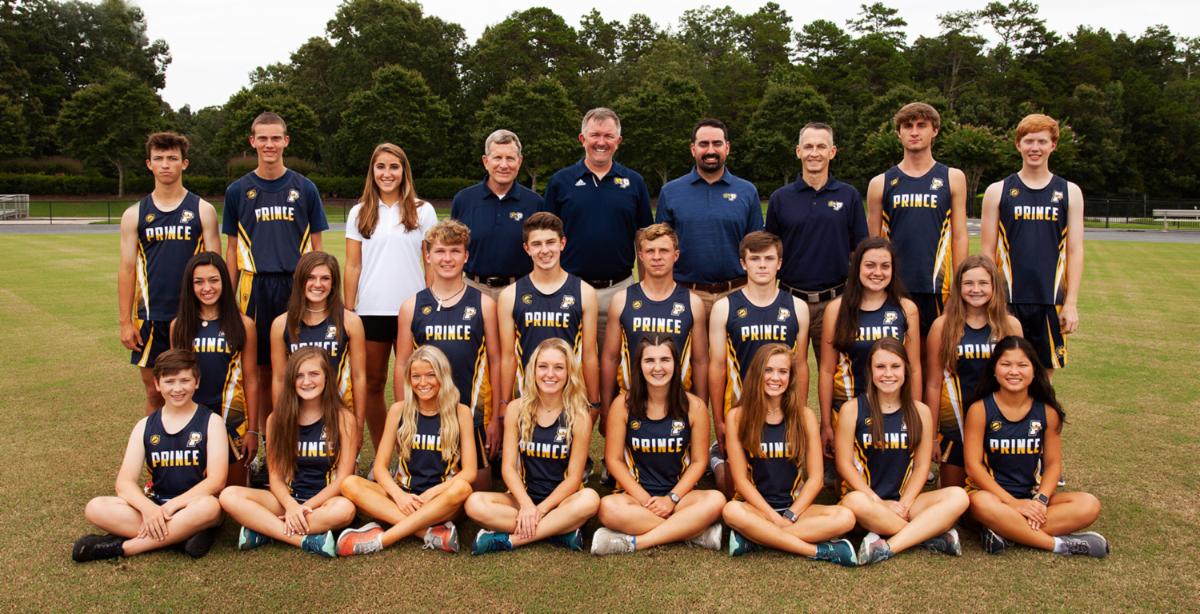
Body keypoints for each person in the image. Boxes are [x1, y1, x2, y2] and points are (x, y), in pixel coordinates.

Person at [73, 350, 227, 562]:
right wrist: (149, 509)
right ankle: (183, 536)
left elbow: (216, 481)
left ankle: (125, 547)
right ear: (157, 384)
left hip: (194, 505)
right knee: (95, 508)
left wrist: (171, 507)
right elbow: (124, 483)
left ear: (197, 382)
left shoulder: (211, 421)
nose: (177, 389)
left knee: (211, 507)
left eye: (185, 380)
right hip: (156, 504)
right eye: (169, 381)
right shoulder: (145, 426)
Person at [223, 112, 329, 418]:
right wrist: (228, 298)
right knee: (259, 368)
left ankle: (305, 432)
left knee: (303, 363)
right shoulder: (237, 191)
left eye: (275, 138)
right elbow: (232, 249)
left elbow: (318, 249)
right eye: (263, 138)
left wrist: (320, 290)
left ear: (286, 141)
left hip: (296, 285)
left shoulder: (305, 188)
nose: (269, 144)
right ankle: (267, 438)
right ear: (252, 142)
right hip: (254, 287)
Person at [964, 336, 1108, 557]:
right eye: (1006, 364)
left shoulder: (1047, 412)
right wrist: (1013, 503)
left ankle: (1005, 532)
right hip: (992, 497)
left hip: (1030, 495)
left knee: (1088, 504)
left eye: (1022, 365)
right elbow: (973, 467)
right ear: (994, 369)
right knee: (979, 502)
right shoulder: (980, 409)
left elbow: (1053, 464)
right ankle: (1058, 545)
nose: (1014, 371)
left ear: (1033, 371)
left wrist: (1040, 500)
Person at [835, 338, 969, 565]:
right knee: (853, 502)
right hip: (867, 503)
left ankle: (887, 546)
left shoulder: (920, 411)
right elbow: (844, 465)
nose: (888, 374)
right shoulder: (852, 409)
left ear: (906, 369)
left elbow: (922, 466)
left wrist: (904, 505)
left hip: (905, 503)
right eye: (880, 367)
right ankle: (927, 535)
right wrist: (877, 501)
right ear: (870, 370)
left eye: (895, 366)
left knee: (958, 496)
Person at [720, 344, 857, 565]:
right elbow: (741, 481)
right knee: (731, 510)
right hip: (756, 509)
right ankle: (818, 551)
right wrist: (773, 518)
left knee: (846, 517)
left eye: (783, 371)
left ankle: (757, 539)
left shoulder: (804, 416)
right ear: (757, 373)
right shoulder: (737, 417)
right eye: (768, 370)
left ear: (791, 377)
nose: (775, 378)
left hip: (796, 508)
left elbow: (816, 479)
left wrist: (790, 515)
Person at [335, 346, 476, 555]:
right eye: (416, 376)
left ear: (443, 376)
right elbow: (380, 467)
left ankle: (382, 540)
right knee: (349, 483)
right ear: (409, 379)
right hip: (403, 497)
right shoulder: (399, 410)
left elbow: (470, 472)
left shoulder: (460, 412)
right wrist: (399, 496)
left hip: (440, 501)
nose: (423, 382)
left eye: (431, 375)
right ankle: (428, 533)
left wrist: (431, 494)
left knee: (463, 488)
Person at [592, 335, 726, 555]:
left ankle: (637, 542)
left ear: (676, 364)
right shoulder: (623, 405)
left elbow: (699, 462)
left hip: (680, 497)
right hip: (636, 498)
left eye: (665, 360)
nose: (657, 368)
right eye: (649, 361)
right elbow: (614, 460)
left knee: (716, 500)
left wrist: (671, 499)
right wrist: (645, 500)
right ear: (639, 366)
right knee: (607, 508)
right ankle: (694, 532)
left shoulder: (694, 407)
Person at [218, 347, 358, 557]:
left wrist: (303, 508)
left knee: (345, 510)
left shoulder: (343, 419)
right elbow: (275, 478)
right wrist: (291, 506)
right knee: (229, 495)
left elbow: (343, 478)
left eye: (314, 374)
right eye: (299, 375)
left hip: (324, 502)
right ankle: (304, 540)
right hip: (285, 500)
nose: (306, 381)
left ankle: (267, 530)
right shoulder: (276, 420)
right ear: (291, 380)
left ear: (327, 377)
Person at [465, 338, 600, 554]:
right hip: (522, 499)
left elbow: (574, 478)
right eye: (543, 366)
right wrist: (527, 505)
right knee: (474, 503)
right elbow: (508, 468)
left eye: (559, 368)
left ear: (569, 373)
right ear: (533, 370)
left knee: (590, 500)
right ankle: (559, 531)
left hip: (562, 503)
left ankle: (510, 540)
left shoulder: (579, 416)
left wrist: (540, 510)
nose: (550, 374)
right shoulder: (516, 409)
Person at [345, 143, 438, 452]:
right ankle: (386, 451)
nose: (387, 173)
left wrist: (431, 303)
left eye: (394, 167)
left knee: (416, 384)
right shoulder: (359, 212)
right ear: (372, 171)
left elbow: (430, 262)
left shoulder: (423, 210)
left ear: (404, 171)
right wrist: (348, 311)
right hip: (371, 311)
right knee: (373, 383)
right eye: (381, 167)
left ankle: (412, 454)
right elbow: (353, 265)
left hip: (413, 310)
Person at [119, 132, 219, 413]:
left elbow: (216, 268)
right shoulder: (134, 214)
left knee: (198, 388)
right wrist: (125, 322)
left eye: (172, 158)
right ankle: (156, 442)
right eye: (159, 158)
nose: (165, 164)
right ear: (148, 164)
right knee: (155, 392)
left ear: (184, 163)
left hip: (193, 315)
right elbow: (127, 269)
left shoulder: (203, 210)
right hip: (151, 316)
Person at [397, 220, 501, 489]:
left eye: (455, 251)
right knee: (426, 486)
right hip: (426, 415)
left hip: (473, 413)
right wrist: (402, 414)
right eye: (440, 251)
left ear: (466, 256)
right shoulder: (411, 306)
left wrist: (495, 418)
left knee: (477, 493)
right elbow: (402, 364)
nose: (447, 258)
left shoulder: (484, 304)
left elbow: (496, 361)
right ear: (428, 256)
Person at [980, 113, 1085, 371]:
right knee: (1003, 369)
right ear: (1018, 145)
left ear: (1053, 145)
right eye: (1028, 141)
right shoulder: (998, 191)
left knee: (1044, 375)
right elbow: (986, 252)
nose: (1034, 148)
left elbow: (1075, 250)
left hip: (1050, 298)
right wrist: (990, 301)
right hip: (1007, 299)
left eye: (1041, 141)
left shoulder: (1069, 192)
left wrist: (1071, 303)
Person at [542, 107, 653, 344]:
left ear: (618, 141)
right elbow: (545, 240)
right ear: (582, 139)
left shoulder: (634, 182)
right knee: (567, 360)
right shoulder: (560, 181)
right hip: (570, 290)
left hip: (619, 291)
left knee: (615, 361)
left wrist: (644, 290)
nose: (601, 142)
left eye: (608, 136)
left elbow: (644, 240)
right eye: (595, 135)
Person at [708, 231, 807, 495]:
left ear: (779, 263)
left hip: (781, 409)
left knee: (786, 487)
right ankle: (718, 459)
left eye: (769, 258)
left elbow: (801, 365)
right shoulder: (724, 307)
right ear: (743, 263)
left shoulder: (797, 307)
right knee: (730, 489)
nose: (762, 265)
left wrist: (799, 412)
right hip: (740, 408)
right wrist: (719, 420)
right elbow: (717, 367)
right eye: (755, 259)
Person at [766, 122, 867, 361]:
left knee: (835, 372)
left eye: (821, 146)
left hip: (834, 302)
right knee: (782, 369)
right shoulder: (780, 198)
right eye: (808, 146)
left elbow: (860, 250)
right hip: (789, 301)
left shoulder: (849, 195)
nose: (814, 153)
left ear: (832, 152)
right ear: (798, 151)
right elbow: (770, 252)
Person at [866, 102, 968, 340]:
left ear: (935, 131)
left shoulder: (952, 178)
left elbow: (960, 235)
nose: (914, 132)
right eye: (908, 126)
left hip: (939, 288)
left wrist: (959, 285)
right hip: (894, 287)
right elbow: (873, 243)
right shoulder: (880, 183)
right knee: (895, 355)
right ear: (898, 133)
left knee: (938, 354)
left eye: (921, 125)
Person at [819, 237, 921, 459]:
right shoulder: (836, 310)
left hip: (894, 408)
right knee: (849, 478)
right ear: (857, 268)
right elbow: (826, 370)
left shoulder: (906, 309)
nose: (878, 272)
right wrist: (826, 423)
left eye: (885, 266)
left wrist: (915, 414)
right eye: (870, 265)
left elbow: (914, 368)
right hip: (848, 408)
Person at [924, 256, 1022, 488]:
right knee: (956, 497)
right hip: (955, 424)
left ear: (994, 286)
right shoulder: (942, 326)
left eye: (983, 283)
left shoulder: (1010, 325)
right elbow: (934, 384)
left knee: (996, 492)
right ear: (958, 287)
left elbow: (1020, 380)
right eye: (968, 283)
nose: (975, 289)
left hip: (997, 421)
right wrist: (932, 436)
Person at [170, 251, 260, 487]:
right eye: (199, 282)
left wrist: (252, 431)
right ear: (190, 286)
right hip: (192, 418)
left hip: (233, 420)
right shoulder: (178, 326)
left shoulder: (244, 325)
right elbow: (174, 380)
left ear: (224, 283)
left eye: (214, 280)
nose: (207, 288)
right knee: (195, 491)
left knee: (233, 492)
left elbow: (251, 380)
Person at [655, 118, 762, 316]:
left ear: (727, 148)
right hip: (686, 295)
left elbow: (757, 248)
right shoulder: (670, 192)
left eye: (717, 144)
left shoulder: (747, 191)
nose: (711, 150)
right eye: (704, 144)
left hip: (737, 294)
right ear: (693, 149)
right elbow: (660, 248)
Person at [497, 212, 600, 418]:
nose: (544, 250)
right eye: (536, 244)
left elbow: (589, 355)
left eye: (550, 242)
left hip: (570, 398)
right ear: (527, 248)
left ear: (562, 243)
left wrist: (594, 401)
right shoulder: (510, 295)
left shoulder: (584, 292)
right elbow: (508, 357)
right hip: (527, 398)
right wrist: (504, 402)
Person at [600, 223, 708, 419]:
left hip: (678, 403)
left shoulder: (692, 303)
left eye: (664, 251)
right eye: (650, 251)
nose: (657, 257)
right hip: (631, 403)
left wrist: (701, 409)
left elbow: (700, 361)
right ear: (641, 256)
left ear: (676, 255)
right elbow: (610, 358)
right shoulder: (622, 300)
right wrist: (607, 409)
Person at [270, 252, 366, 440]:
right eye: (311, 277)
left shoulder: (350, 322)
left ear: (334, 282)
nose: (318, 284)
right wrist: (282, 420)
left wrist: (359, 425)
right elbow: (279, 378)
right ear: (300, 280)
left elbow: (359, 376)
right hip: (297, 416)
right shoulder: (281, 324)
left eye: (325, 278)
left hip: (339, 414)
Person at [451, 129, 544, 300]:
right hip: (473, 288)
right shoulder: (463, 200)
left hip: (521, 290)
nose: (504, 165)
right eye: (497, 158)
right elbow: (453, 249)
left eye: (510, 158)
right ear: (486, 161)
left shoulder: (535, 203)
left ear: (519, 162)